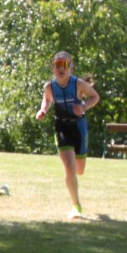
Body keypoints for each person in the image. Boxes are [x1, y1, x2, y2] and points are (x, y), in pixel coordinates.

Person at [33, 50, 100, 219]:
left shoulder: (78, 84)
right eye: (57, 65)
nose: (60, 68)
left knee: (79, 170)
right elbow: (47, 99)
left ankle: (75, 190)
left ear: (71, 67)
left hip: (78, 127)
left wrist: (83, 107)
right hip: (62, 127)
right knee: (69, 167)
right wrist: (43, 110)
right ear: (52, 68)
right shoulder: (49, 86)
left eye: (64, 64)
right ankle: (76, 205)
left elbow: (95, 97)